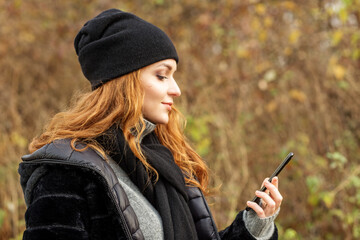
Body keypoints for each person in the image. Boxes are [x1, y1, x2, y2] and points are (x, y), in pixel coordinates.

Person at [18, 8, 282, 240]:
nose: (176, 90)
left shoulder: (165, 160)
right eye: (162, 75)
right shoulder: (65, 173)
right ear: (125, 80)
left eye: (173, 76)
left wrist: (256, 225)